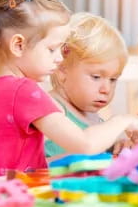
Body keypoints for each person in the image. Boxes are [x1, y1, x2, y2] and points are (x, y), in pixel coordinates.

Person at [0, 0, 138, 175]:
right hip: (21, 195)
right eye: (51, 49)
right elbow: (85, 144)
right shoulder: (24, 91)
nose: (59, 57)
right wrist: (122, 120)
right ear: (19, 45)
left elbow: (28, 166)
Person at [45, 12, 129, 158]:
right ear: (62, 70)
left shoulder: (96, 118)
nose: (106, 89)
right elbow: (33, 165)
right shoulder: (52, 108)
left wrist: (116, 142)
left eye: (113, 79)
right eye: (96, 77)